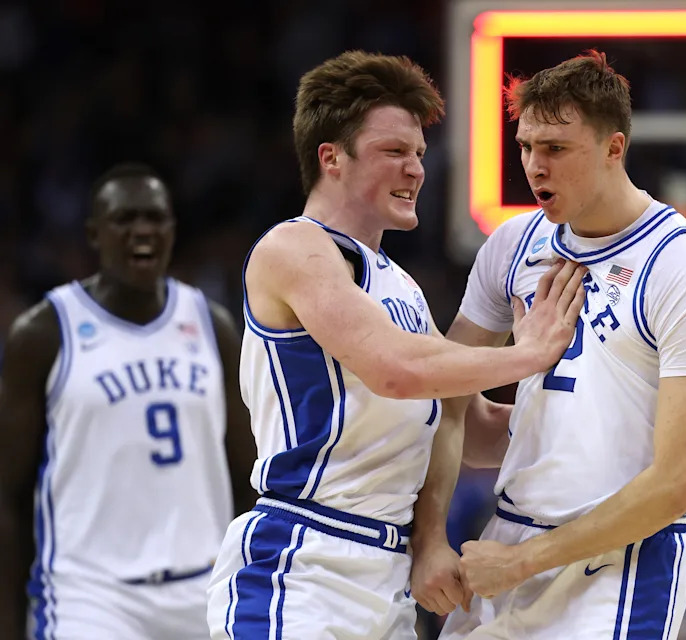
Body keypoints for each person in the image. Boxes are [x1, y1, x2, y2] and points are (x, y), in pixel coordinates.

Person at [205, 50, 585, 640]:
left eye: (419, 155)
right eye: (393, 153)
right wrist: (529, 353)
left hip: (387, 576)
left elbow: (467, 426)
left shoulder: (399, 285)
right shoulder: (295, 249)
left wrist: (605, 421)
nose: (415, 171)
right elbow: (394, 370)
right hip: (302, 563)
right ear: (331, 158)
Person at [410, 50, 686, 639]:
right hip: (508, 539)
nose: (536, 166)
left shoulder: (685, 264)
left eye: (556, 149)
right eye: (526, 147)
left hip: (618, 562)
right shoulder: (511, 244)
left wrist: (524, 562)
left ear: (615, 148)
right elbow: (447, 397)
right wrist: (429, 537)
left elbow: (681, 482)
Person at [0, 162, 258, 639]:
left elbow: (248, 474)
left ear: (173, 230)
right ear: (94, 234)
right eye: (126, 219)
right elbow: (9, 494)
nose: (143, 231)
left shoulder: (212, 326)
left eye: (156, 218)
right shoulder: (43, 334)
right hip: (90, 595)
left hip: (201, 588)